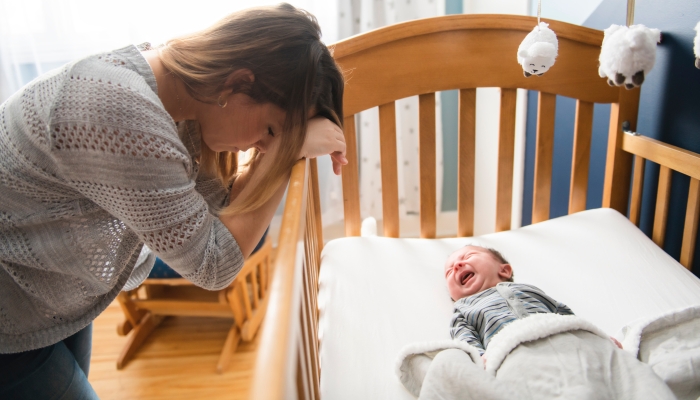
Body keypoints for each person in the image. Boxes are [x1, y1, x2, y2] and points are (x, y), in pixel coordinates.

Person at [0, 3, 346, 398]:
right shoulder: (121, 111)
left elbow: (217, 208)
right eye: (268, 129)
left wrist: (285, 142)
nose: (260, 147)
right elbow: (213, 265)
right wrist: (287, 152)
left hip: (56, 289)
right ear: (238, 83)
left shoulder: (175, 100)